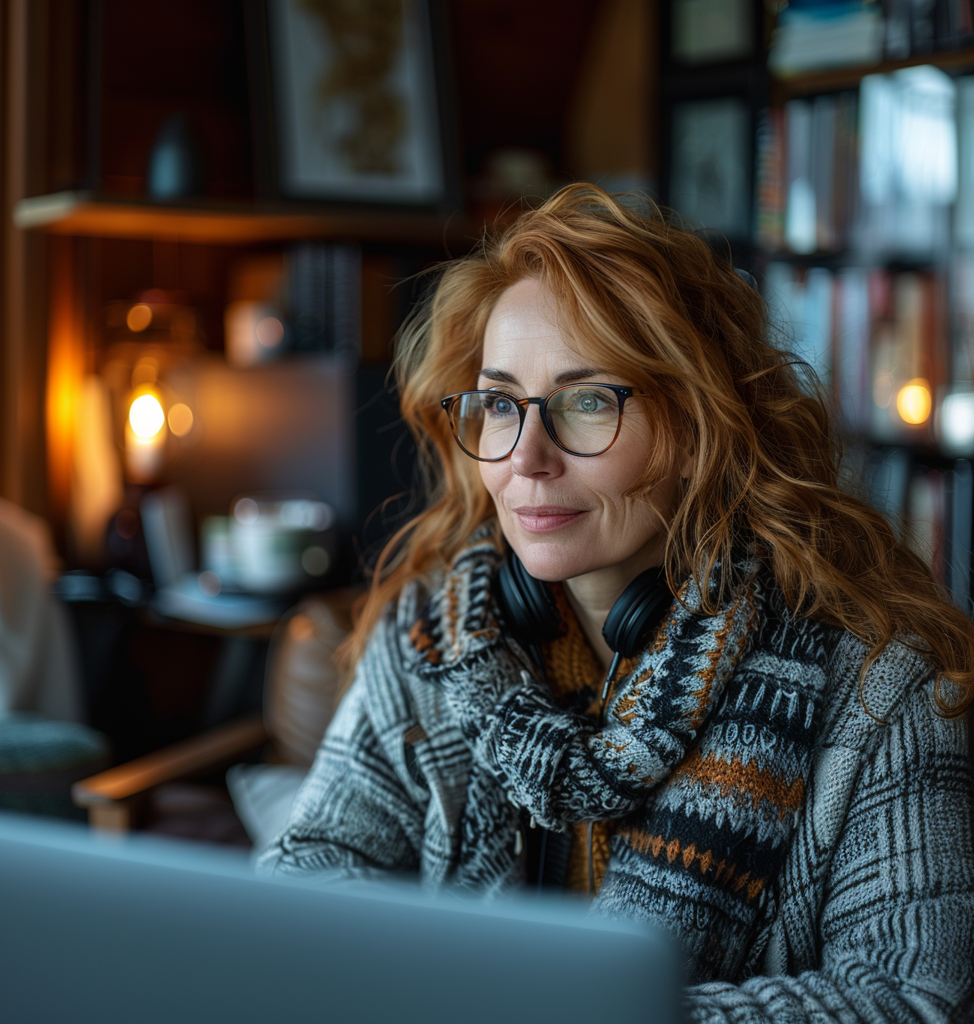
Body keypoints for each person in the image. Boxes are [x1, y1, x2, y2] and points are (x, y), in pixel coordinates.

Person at [258, 184, 974, 1021]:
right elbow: (302, 879)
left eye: (587, 400)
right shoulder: (432, 642)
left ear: (701, 423)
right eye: (498, 404)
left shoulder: (884, 693)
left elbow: (910, 999)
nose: (526, 457)